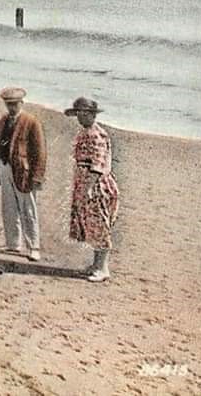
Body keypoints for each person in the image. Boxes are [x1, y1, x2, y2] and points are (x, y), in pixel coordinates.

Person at [0, 87, 47, 262]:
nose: (11, 107)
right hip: (4, 166)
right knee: (9, 206)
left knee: (28, 209)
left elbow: (40, 152)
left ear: (22, 103)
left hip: (24, 171)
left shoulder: (31, 122)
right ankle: (13, 243)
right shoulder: (2, 121)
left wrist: (37, 177)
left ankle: (34, 246)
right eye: (8, 104)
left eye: (14, 104)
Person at [65, 97, 119, 282]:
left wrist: (88, 188)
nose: (80, 117)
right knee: (91, 225)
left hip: (96, 185)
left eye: (83, 113)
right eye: (78, 113)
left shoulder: (96, 135)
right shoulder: (86, 132)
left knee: (99, 225)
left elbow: (98, 164)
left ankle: (103, 268)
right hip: (85, 180)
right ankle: (96, 265)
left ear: (91, 115)